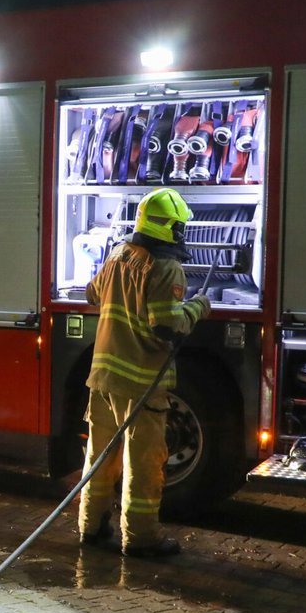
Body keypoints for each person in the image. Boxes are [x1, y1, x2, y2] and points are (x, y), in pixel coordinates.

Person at [78, 188, 210, 557]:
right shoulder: (166, 267)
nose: (182, 233)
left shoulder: (119, 254)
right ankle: (140, 539)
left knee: (100, 457)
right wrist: (198, 307)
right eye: (180, 226)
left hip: (103, 379)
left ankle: (90, 526)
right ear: (169, 227)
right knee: (143, 464)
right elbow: (166, 325)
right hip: (140, 385)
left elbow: (92, 294)